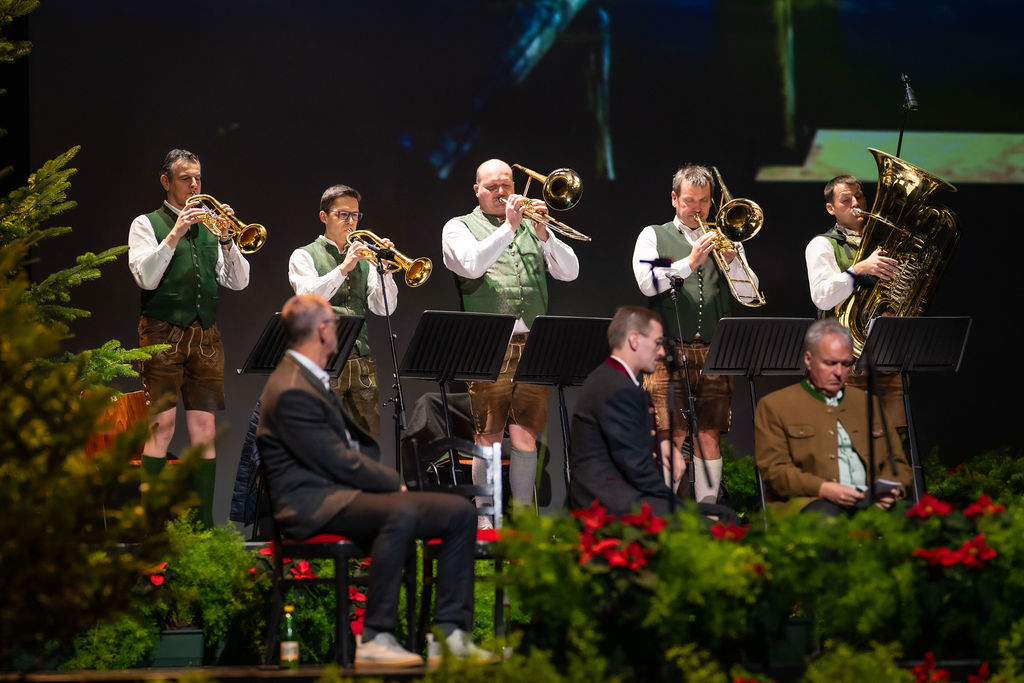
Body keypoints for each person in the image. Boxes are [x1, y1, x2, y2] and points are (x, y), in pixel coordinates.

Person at [257, 294, 490, 666]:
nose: (338, 331)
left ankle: (450, 633)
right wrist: (392, 483)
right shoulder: (291, 386)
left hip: (340, 495)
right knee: (399, 511)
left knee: (459, 513)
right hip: (313, 505)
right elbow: (334, 460)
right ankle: (375, 636)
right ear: (322, 331)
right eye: (335, 324)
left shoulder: (309, 378)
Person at [442, 158, 580, 525]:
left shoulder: (530, 225)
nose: (501, 192)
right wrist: (509, 227)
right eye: (492, 187)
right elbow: (471, 265)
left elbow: (570, 272)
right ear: (477, 190)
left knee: (526, 435)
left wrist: (544, 232)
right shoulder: (458, 227)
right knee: (487, 435)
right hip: (488, 342)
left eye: (506, 185)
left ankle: (523, 519)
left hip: (532, 342)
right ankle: (486, 521)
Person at [128, 148, 250, 528]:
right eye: (186, 179)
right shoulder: (146, 224)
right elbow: (146, 278)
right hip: (162, 332)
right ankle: (151, 530)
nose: (195, 185)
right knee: (161, 427)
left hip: (205, 336)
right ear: (166, 182)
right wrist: (175, 232)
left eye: (198, 178)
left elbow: (239, 282)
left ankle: (203, 529)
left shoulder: (212, 228)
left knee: (204, 431)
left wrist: (228, 240)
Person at [630, 164, 759, 505]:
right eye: (689, 201)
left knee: (709, 434)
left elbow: (750, 296)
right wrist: (691, 261)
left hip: (715, 353)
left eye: (704, 201)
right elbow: (647, 282)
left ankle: (708, 514)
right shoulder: (653, 235)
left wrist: (733, 262)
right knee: (670, 433)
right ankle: (662, 513)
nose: (697, 209)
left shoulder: (726, 236)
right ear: (674, 199)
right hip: (667, 351)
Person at [754, 319, 912, 516]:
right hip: (812, 503)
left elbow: (897, 462)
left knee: (919, 517)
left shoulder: (868, 403)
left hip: (871, 501)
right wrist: (823, 489)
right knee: (826, 516)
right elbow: (775, 472)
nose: (838, 372)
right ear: (808, 359)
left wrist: (889, 490)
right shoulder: (775, 406)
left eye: (846, 364)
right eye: (830, 363)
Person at [288, 184, 398, 436]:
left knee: (365, 439)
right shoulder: (303, 255)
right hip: (322, 359)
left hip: (361, 361)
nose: (351, 221)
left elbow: (385, 308)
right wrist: (343, 268)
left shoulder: (365, 258)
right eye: (343, 214)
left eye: (355, 215)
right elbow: (307, 298)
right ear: (324, 216)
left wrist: (385, 271)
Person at [804, 174, 906, 428]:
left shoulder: (886, 244)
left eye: (859, 197)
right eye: (846, 200)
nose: (856, 203)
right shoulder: (822, 244)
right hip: (845, 361)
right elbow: (822, 298)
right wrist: (857, 270)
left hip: (886, 355)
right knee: (848, 436)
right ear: (831, 208)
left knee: (893, 438)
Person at [569, 306, 679, 516]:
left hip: (618, 498)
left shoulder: (614, 380)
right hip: (607, 506)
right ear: (634, 340)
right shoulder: (616, 388)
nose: (662, 352)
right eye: (657, 343)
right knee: (718, 519)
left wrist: (662, 443)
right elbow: (636, 467)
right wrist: (678, 507)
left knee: (717, 515)